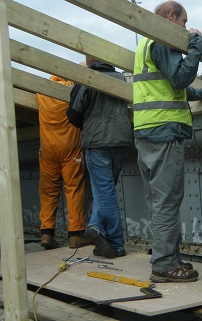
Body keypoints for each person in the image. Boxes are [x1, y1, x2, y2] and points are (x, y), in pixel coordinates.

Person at [133, 0, 202, 283]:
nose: (184, 27)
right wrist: (196, 48)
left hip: (146, 131)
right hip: (164, 131)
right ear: (171, 16)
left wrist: (198, 92)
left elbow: (168, 85)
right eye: (183, 21)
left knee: (157, 200)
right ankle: (165, 265)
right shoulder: (163, 37)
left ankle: (168, 258)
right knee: (167, 200)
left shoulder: (144, 43)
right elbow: (178, 78)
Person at [69, 56, 133, 259]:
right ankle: (96, 229)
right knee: (104, 191)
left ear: (89, 61)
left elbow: (74, 114)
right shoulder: (121, 78)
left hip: (97, 142)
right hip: (121, 140)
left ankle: (116, 243)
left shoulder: (88, 77)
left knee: (105, 193)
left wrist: (79, 78)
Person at [36, 75, 89, 250]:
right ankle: (75, 236)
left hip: (48, 149)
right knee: (74, 189)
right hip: (70, 148)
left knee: (48, 191)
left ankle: (47, 234)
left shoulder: (41, 91)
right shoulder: (71, 88)